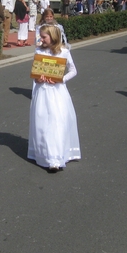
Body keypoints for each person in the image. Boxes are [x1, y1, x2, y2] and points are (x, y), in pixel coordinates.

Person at [28, 25, 81, 172]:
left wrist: (61, 79)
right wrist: (37, 79)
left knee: (57, 122)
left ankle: (56, 158)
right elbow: (35, 71)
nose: (41, 39)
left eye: (44, 37)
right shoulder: (39, 51)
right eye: (40, 36)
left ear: (53, 37)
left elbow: (73, 70)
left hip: (57, 92)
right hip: (42, 92)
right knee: (42, 122)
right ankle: (44, 153)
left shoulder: (63, 52)